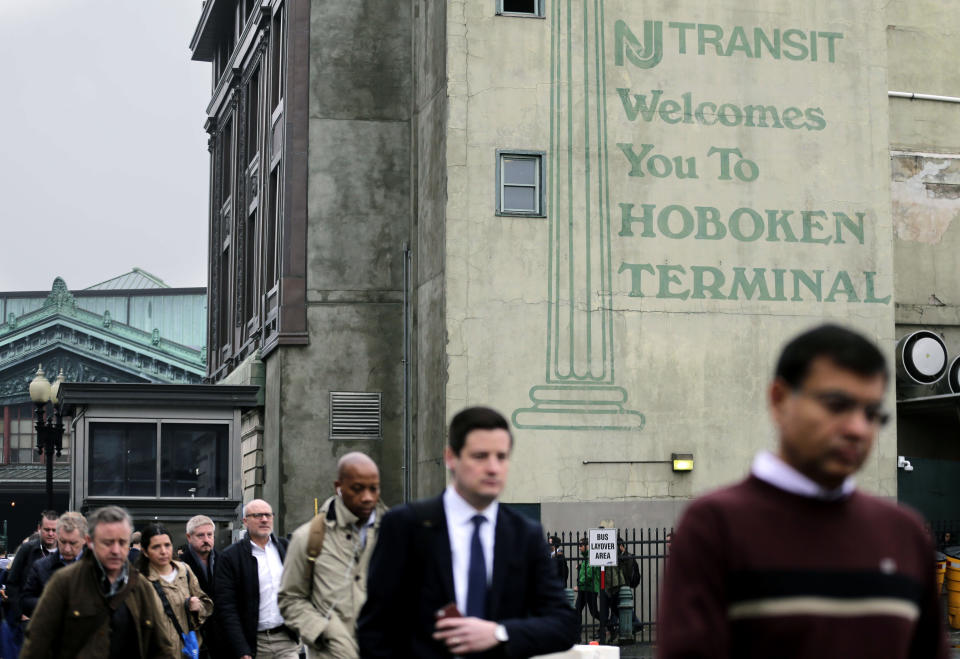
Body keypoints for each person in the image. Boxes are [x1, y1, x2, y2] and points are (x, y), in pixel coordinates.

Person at [658, 324, 949, 659]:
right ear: (779, 400)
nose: (857, 428)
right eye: (836, 405)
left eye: (870, 412)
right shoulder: (714, 527)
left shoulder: (904, 534)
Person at [358, 406, 577, 658]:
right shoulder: (406, 526)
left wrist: (499, 632)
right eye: (480, 456)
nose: (493, 467)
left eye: (501, 457)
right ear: (451, 457)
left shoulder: (524, 535)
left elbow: (563, 625)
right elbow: (374, 630)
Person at [19, 505, 173, 658]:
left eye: (122, 542)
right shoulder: (64, 582)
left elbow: (161, 649)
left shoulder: (140, 587)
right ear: (90, 541)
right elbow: (35, 646)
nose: (115, 550)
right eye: (107, 542)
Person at [279, 452, 388, 658]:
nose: (367, 497)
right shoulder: (308, 537)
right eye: (357, 488)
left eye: (374, 489)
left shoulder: (397, 532)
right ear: (338, 487)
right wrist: (322, 631)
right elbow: (290, 599)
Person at [216, 499, 298, 659]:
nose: (264, 519)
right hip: (254, 643)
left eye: (268, 515)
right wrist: (241, 649)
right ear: (245, 521)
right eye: (258, 515)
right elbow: (226, 607)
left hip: (286, 639)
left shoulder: (286, 548)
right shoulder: (230, 557)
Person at [137, 524, 214, 656]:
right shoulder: (140, 581)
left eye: (167, 545)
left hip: (187, 651)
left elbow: (206, 604)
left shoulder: (184, 571)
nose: (163, 551)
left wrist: (198, 606)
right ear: (145, 551)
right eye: (156, 547)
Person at [4, 510, 58, 658]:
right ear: (39, 529)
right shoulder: (27, 550)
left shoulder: (64, 551)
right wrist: (19, 614)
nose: (51, 533)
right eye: (47, 530)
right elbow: (12, 582)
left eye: (54, 530)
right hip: (28, 620)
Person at [19, 512, 86, 619]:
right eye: (63, 542)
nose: (67, 549)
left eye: (73, 543)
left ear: (85, 540)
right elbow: (25, 600)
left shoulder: (96, 567)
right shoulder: (41, 566)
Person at [181, 514, 221, 657]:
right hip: (194, 636)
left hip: (222, 637)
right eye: (200, 535)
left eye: (209, 535)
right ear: (189, 537)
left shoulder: (224, 561)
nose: (206, 540)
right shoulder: (180, 566)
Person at [574, 536, 600, 633]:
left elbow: (589, 574)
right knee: (577, 610)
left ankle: (609, 624)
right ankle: (577, 632)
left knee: (594, 612)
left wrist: (579, 584)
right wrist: (580, 567)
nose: (579, 548)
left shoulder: (591, 556)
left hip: (590, 589)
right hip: (584, 588)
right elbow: (586, 570)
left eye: (581, 545)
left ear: (587, 546)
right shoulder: (585, 557)